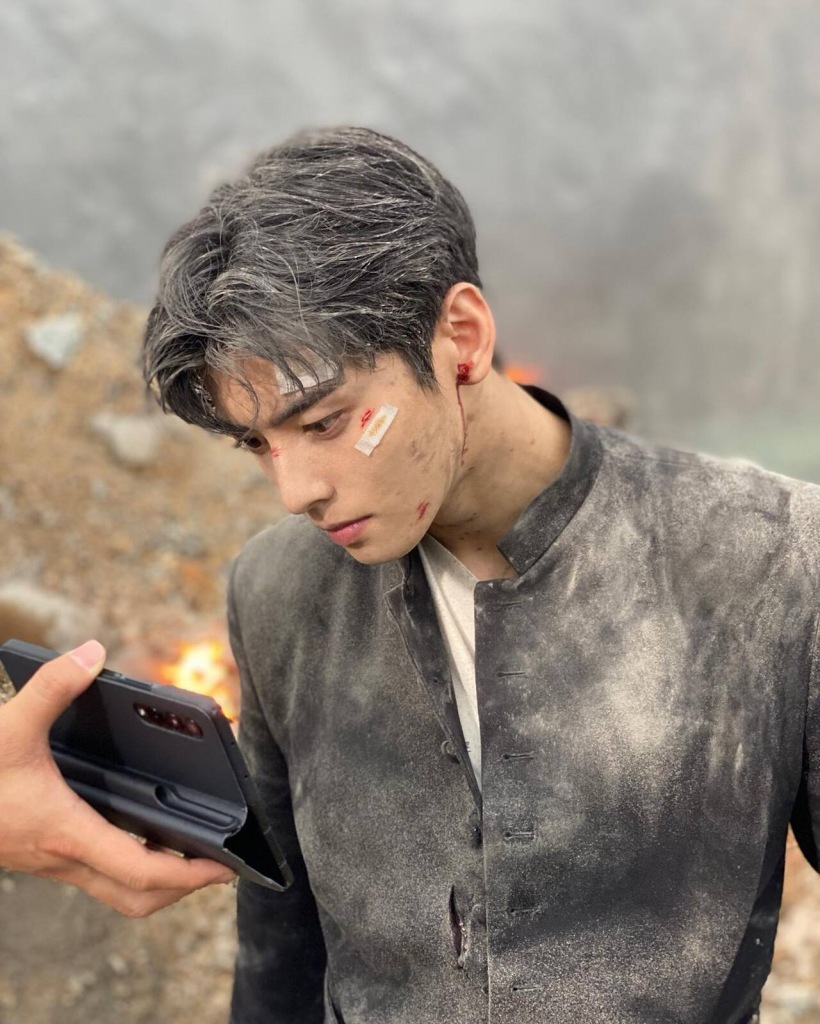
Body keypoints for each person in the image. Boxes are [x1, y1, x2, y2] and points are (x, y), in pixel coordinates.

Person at [3, 126, 818, 1023]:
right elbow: (279, 949)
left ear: (461, 338)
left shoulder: (768, 556)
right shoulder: (278, 589)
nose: (295, 491)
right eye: (257, 445)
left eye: (324, 422)